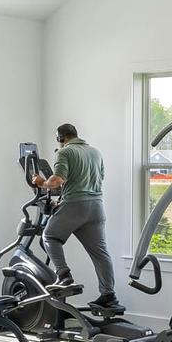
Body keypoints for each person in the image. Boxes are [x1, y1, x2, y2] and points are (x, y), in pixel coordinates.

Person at [33, 122, 122, 316]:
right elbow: (99, 178)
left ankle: (64, 276)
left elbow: (56, 181)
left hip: (76, 205)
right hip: (96, 207)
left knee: (49, 237)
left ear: (61, 138)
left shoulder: (64, 152)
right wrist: (64, 201)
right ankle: (109, 295)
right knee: (100, 253)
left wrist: (41, 183)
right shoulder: (96, 152)